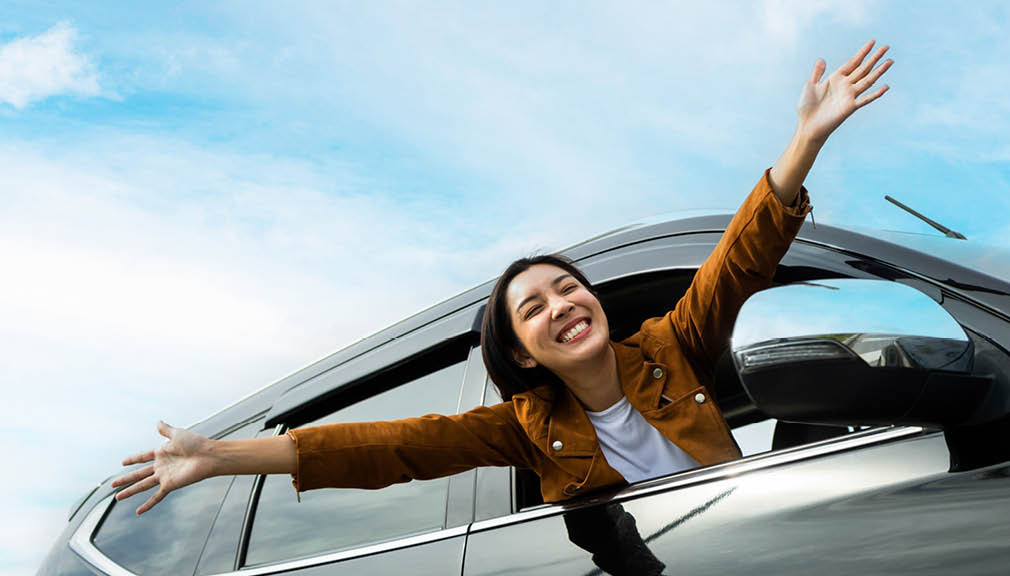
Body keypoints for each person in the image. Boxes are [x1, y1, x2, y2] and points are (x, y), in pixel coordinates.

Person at [114, 41, 893, 515]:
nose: (563, 303)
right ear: (521, 351)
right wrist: (220, 455)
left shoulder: (668, 348)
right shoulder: (526, 428)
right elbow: (386, 447)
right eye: (534, 307)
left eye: (567, 287)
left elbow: (736, 262)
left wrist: (803, 143)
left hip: (745, 541)